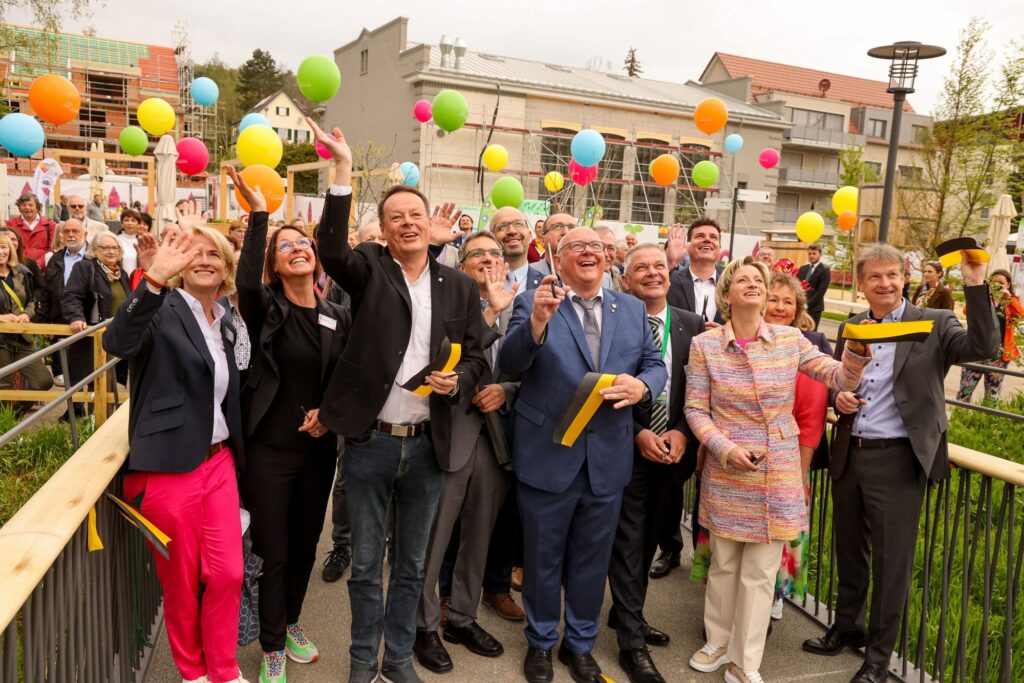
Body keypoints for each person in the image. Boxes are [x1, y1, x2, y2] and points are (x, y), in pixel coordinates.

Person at [309, 118, 487, 683]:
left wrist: (457, 381)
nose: (407, 224)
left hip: (429, 447)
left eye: (416, 215)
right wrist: (341, 170)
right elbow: (331, 247)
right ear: (382, 231)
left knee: (411, 567)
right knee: (365, 565)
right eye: (396, 218)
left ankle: (399, 660)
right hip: (371, 444)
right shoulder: (367, 271)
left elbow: (478, 354)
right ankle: (363, 662)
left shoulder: (458, 285)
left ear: (428, 225)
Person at [802, 244, 998, 683]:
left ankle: (877, 657)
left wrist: (974, 283)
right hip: (851, 452)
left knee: (891, 564)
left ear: (904, 278)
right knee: (848, 551)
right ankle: (846, 627)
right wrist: (839, 397)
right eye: (875, 277)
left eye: (892, 275)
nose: (885, 283)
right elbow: (839, 379)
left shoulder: (934, 322)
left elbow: (984, 348)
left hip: (898, 458)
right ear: (862, 283)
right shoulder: (853, 326)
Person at [685, 257, 870, 683]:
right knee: (724, 562)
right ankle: (717, 641)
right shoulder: (705, 345)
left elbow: (838, 377)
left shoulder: (790, 339)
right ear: (727, 294)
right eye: (743, 279)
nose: (753, 284)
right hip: (727, 466)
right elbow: (695, 409)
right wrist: (725, 448)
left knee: (760, 571)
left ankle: (745, 662)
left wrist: (856, 356)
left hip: (778, 468)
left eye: (759, 280)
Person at [498, 227, 666, 683]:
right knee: (542, 558)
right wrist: (536, 323)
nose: (588, 252)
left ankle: (580, 645)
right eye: (576, 246)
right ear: (558, 256)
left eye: (596, 246)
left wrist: (644, 386)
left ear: (608, 258)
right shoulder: (534, 301)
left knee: (591, 562)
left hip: (606, 461)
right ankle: (540, 643)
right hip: (548, 455)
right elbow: (509, 365)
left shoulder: (631, 308)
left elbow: (654, 363)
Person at [103, 223, 248, 683]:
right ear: (181, 264)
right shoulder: (162, 307)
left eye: (215, 254)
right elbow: (118, 344)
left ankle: (224, 669)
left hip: (219, 460)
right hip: (168, 465)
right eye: (195, 253)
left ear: (226, 267)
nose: (205, 260)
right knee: (182, 581)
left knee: (227, 573)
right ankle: (195, 673)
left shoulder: (223, 319)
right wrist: (152, 280)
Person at [229, 166, 351, 683]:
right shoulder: (265, 308)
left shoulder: (336, 314)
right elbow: (243, 279)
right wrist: (261, 217)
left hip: (318, 454)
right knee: (273, 551)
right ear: (275, 266)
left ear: (316, 256)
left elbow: (347, 381)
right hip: (270, 454)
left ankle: (292, 621)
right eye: (286, 246)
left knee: (304, 545)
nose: (298, 247)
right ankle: (273, 644)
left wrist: (332, 416)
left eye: (304, 242)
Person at [414, 231, 518, 674]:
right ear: (462, 264)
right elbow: (443, 360)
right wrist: (491, 311)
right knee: (433, 538)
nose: (490, 261)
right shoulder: (448, 303)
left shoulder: (526, 305)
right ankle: (421, 627)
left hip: (496, 440)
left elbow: (537, 367)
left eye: (496, 254)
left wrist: (507, 390)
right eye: (479, 254)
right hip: (448, 432)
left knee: (479, 536)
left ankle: (461, 617)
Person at [608, 243, 703, 683]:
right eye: (640, 267)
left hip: (673, 452)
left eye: (658, 266)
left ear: (671, 273)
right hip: (627, 448)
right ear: (626, 279)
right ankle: (631, 642)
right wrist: (636, 432)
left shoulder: (694, 326)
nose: (651, 273)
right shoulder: (614, 320)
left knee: (648, 541)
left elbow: (703, 391)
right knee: (628, 543)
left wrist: (682, 430)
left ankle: (630, 614)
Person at [654, 219, 724, 581]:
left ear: (721, 247)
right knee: (670, 478)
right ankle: (670, 548)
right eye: (701, 237)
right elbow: (647, 301)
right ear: (691, 244)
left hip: (723, 396)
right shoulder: (673, 278)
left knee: (712, 480)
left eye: (713, 237)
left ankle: (706, 553)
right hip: (679, 390)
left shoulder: (732, 281)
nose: (707, 241)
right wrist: (668, 261)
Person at [763, 273, 831, 622]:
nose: (779, 307)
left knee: (782, 530)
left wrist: (799, 470)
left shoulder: (807, 345)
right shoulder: (743, 337)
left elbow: (813, 414)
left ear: (797, 309)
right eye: (772, 299)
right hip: (743, 458)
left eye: (787, 301)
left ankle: (775, 593)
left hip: (789, 459)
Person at [62, 232, 131, 389]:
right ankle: (88, 414)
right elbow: (71, 295)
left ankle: (103, 414)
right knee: (96, 381)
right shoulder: (85, 268)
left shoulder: (122, 274)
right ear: (94, 250)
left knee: (111, 384)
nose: (111, 251)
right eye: (105, 247)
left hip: (116, 336)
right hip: (94, 334)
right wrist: (76, 317)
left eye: (115, 248)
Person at [956, 269, 1024, 403]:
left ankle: (986, 422)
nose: (997, 285)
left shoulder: (1010, 302)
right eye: (994, 283)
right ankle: (961, 419)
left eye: (1001, 283)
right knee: (965, 391)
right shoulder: (983, 298)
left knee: (992, 395)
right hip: (975, 351)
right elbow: (966, 311)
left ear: (1008, 285)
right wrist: (985, 297)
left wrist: (1008, 298)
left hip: (998, 355)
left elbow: (1022, 315)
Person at [37, 219, 89, 390]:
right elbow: (46, 292)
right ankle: (75, 410)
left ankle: (91, 413)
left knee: (88, 369)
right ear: (61, 234)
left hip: (86, 320)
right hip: (60, 319)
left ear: (85, 234)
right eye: (67, 231)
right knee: (67, 370)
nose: (71, 235)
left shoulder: (94, 257)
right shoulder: (55, 258)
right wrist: (44, 323)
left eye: (75, 231)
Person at [0, 232, 53, 395]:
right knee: (4, 386)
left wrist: (27, 314)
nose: (0, 252)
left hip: (22, 338)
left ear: (10, 249)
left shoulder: (22, 272)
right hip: (0, 340)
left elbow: (31, 300)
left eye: (3, 247)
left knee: (43, 381)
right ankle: (6, 421)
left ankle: (15, 417)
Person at [7, 193, 56, 268]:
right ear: (19, 208)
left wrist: (40, 263)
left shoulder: (50, 225)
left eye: (31, 205)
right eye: (24, 205)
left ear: (37, 207)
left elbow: (53, 248)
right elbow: (8, 246)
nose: (27, 207)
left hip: (42, 270)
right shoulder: (11, 224)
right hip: (18, 267)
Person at [0, 227, 43, 299]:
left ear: (19, 241)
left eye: (13, 239)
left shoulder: (28, 265)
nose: (10, 242)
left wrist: (30, 305)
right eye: (6, 238)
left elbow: (39, 289)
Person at [796, 243, 831, 329]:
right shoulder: (803, 268)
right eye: (809, 254)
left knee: (811, 332)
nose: (811, 256)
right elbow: (796, 286)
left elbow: (820, 292)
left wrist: (806, 305)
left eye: (814, 253)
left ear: (820, 254)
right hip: (800, 307)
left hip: (814, 308)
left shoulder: (825, 270)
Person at [596, 226, 626, 292]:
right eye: (600, 247)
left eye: (611, 248)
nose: (606, 254)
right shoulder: (574, 282)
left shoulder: (620, 281)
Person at [116, 208, 145, 273]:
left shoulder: (142, 242)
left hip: (138, 279)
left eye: (133, 220)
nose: (129, 223)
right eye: (126, 220)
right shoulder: (115, 240)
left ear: (138, 224)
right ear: (122, 223)